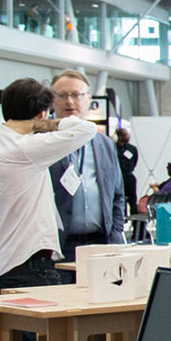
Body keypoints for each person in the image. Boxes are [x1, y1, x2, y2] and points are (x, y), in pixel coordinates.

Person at [0, 77, 97, 341]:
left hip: (2, 262)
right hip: (33, 266)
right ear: (41, 112)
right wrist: (49, 124)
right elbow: (85, 130)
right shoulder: (26, 148)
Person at [47, 70, 126, 267]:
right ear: (52, 100)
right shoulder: (43, 142)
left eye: (76, 95)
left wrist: (115, 232)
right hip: (60, 244)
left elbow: (117, 194)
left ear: (89, 98)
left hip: (101, 243)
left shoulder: (105, 144)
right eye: (62, 95)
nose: (69, 101)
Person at [114, 127, 139, 209]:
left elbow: (135, 160)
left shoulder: (132, 149)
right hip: (118, 177)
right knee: (120, 199)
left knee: (132, 199)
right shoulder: (113, 149)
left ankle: (134, 218)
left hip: (129, 176)